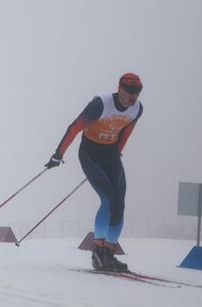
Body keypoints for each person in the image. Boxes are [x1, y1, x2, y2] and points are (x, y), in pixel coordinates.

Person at [44, 73, 143, 272]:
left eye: (137, 91)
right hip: (90, 153)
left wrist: (118, 152)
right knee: (107, 200)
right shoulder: (100, 104)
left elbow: (126, 132)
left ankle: (108, 254)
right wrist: (58, 153)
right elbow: (74, 128)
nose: (133, 96)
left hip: (111, 154)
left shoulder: (137, 109)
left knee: (119, 203)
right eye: (129, 91)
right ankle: (98, 253)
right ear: (120, 88)